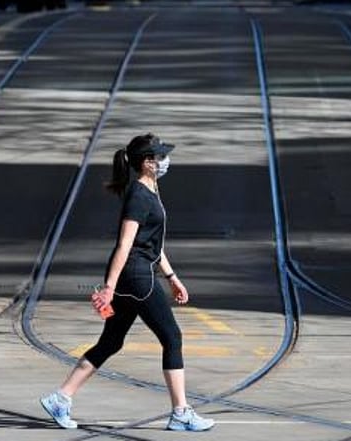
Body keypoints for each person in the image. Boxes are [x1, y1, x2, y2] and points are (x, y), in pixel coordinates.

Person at [40, 134, 215, 432]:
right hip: (136, 278)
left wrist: (172, 278)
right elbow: (125, 244)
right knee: (172, 337)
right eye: (159, 156)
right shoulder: (139, 196)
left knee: (111, 341)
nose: (164, 161)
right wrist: (108, 287)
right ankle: (181, 412)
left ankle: (61, 398)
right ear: (147, 163)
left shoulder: (149, 190)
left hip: (134, 275)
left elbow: (152, 245)